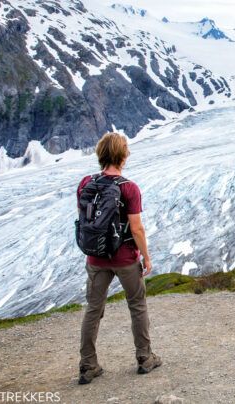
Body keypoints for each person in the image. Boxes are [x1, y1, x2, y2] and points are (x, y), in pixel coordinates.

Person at [76, 132, 161, 385]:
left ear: (100, 154)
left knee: (93, 309)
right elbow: (136, 228)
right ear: (123, 156)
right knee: (137, 305)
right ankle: (145, 358)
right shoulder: (128, 188)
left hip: (96, 258)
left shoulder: (86, 184)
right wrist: (146, 257)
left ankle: (88, 365)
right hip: (124, 258)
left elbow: (85, 220)